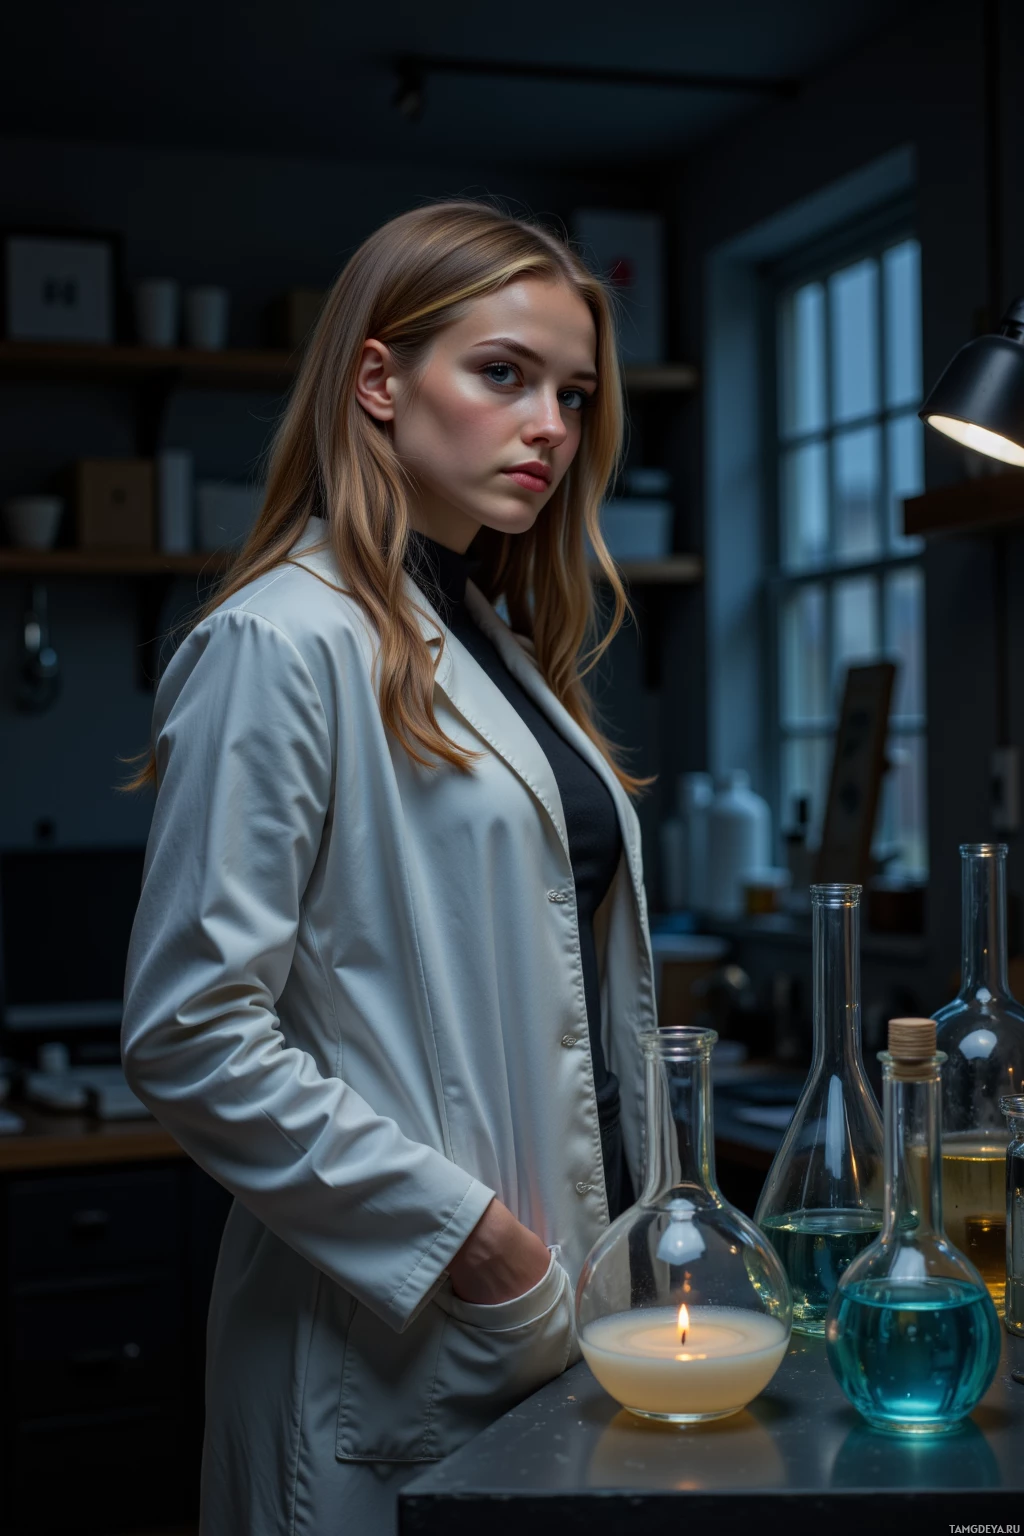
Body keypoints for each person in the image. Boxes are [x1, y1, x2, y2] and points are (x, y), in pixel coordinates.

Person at [121, 200, 657, 1536]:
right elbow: (191, 1033)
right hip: (392, 1335)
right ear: (377, 380)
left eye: (575, 394)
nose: (551, 426)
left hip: (564, 1330)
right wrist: (479, 1246)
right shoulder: (282, 642)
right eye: (503, 375)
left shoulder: (490, 635)